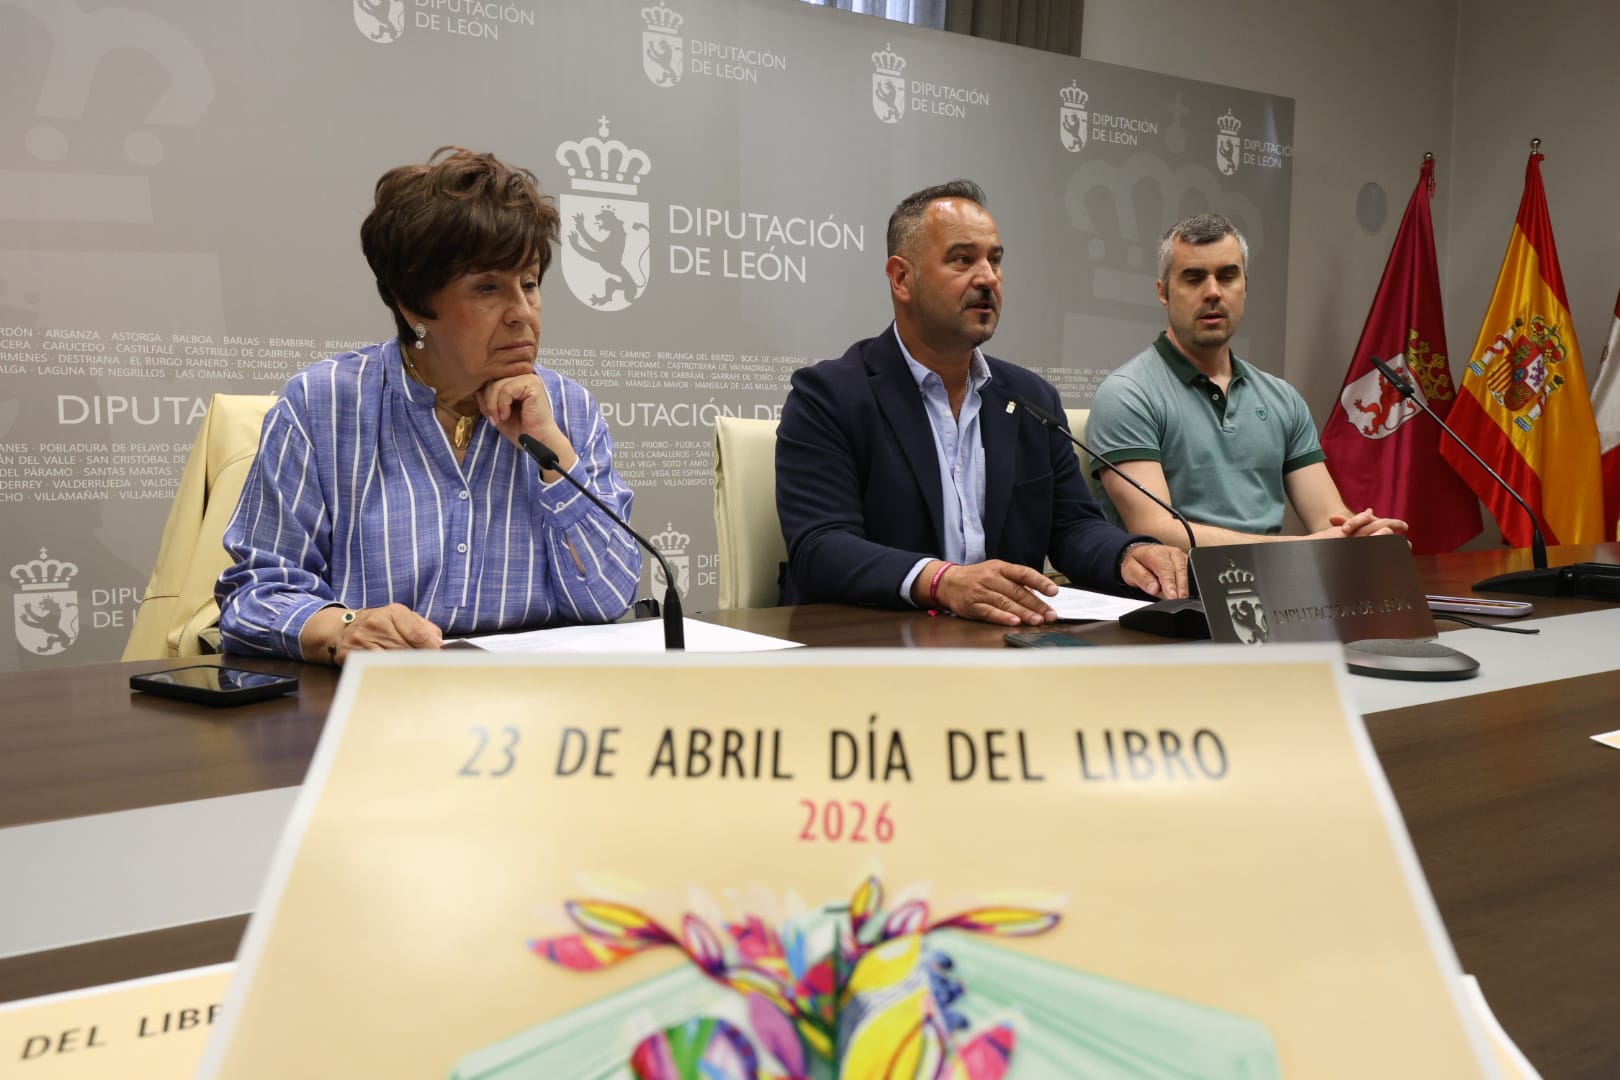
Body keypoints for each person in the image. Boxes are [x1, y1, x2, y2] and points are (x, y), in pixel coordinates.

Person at [216, 147, 641, 663]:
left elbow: (608, 599)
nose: (523, 313)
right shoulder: (322, 404)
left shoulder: (569, 409)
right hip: (379, 695)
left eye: (529, 283)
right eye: (488, 287)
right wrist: (344, 629)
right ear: (414, 304)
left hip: (532, 695)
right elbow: (255, 593)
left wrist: (552, 451)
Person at [775, 180, 1187, 627]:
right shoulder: (829, 395)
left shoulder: (1031, 399)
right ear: (901, 278)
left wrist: (1128, 554)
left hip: (1005, 640)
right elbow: (821, 547)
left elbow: (1072, 527)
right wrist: (941, 581)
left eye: (995, 260)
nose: (988, 277)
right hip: (875, 641)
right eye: (962, 259)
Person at [1086, 213, 1408, 549]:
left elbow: (1329, 518)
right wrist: (1298, 549)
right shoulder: (1127, 394)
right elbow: (1157, 531)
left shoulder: (1282, 398)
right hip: (1181, 582)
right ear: (1163, 292)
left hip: (1277, 578)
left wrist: (1360, 538)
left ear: (1245, 287)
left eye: (1227, 277)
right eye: (1194, 279)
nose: (1213, 292)